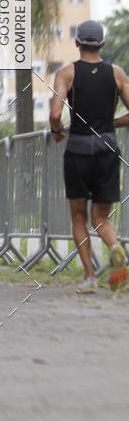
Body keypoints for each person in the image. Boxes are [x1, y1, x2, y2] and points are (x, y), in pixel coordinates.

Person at [50, 20, 129, 294]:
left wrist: (56, 131)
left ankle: (90, 278)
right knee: (101, 219)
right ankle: (116, 246)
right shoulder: (117, 73)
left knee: (79, 217)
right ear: (103, 45)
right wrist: (113, 122)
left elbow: (54, 114)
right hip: (107, 150)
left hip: (78, 152)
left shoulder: (66, 73)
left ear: (77, 43)